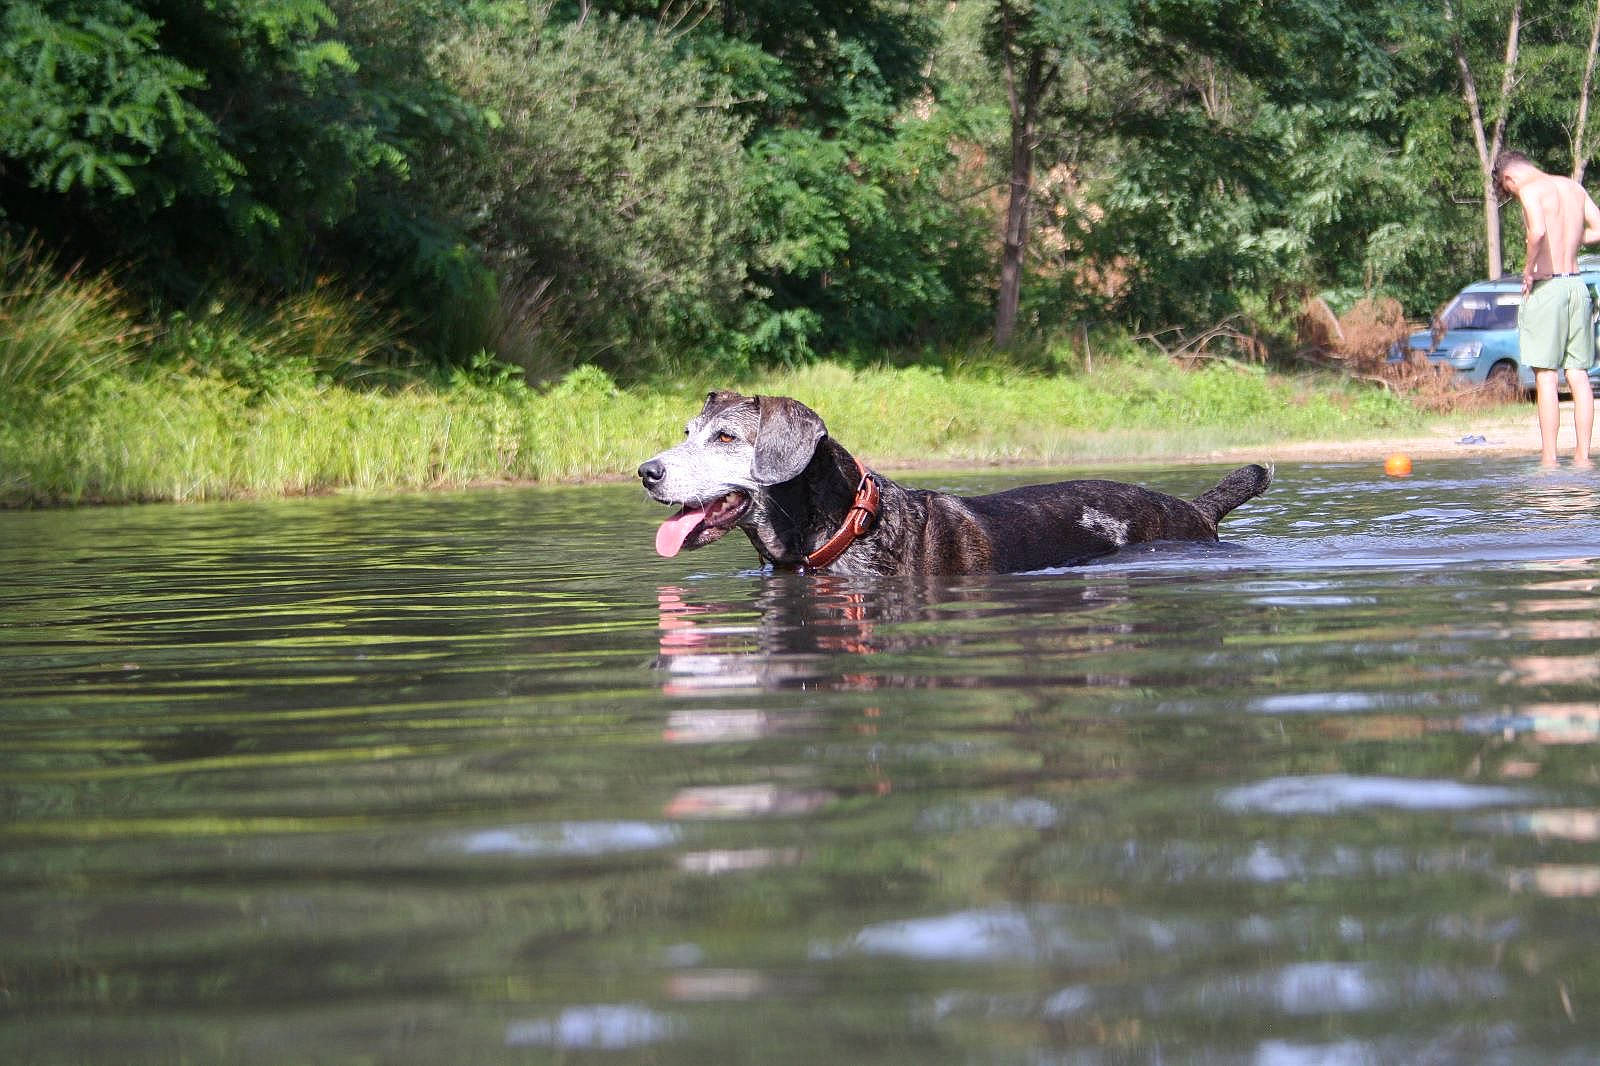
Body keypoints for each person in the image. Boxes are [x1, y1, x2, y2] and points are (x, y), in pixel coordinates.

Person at [1492, 150, 1600, 466]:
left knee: (1546, 376)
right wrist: (1571, 236)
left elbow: (1537, 231)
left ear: (1509, 178)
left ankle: (1549, 459)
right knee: (1578, 374)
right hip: (1578, 287)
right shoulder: (1572, 187)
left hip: (1549, 287)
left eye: (1506, 189)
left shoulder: (1529, 189)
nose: (1511, 194)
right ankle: (1583, 457)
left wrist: (1528, 271)